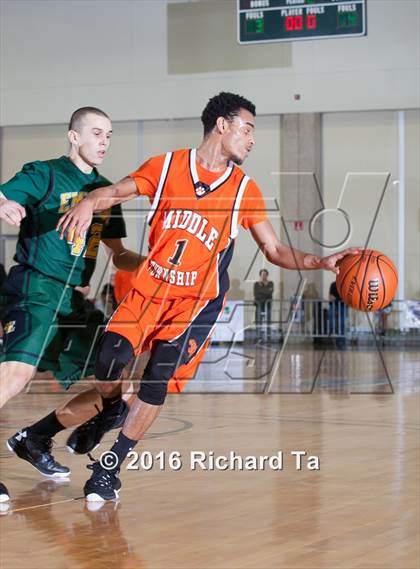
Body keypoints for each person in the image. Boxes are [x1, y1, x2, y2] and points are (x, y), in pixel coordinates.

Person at [57, 92, 359, 501]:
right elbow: (118, 191)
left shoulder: (243, 191)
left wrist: (321, 262)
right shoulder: (165, 167)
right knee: (108, 359)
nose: (252, 139)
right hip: (151, 289)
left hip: (194, 302)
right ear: (222, 125)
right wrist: (90, 203)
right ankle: (110, 409)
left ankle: (110, 468)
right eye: (247, 129)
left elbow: (274, 250)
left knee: (155, 379)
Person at [0, 107, 144, 503]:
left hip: (74, 300)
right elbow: (4, 194)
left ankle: (35, 438)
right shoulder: (45, 172)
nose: (104, 141)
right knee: (14, 377)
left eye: (109, 135)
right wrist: (3, 205)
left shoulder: (106, 191)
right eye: (96, 133)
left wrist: (150, 263)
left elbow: (118, 254)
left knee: (119, 384)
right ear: (74, 137)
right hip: (36, 287)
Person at [253, 268, 274, 341]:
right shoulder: (256, 284)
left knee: (268, 321)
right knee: (258, 321)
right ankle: (258, 336)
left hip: (267, 305)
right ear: (260, 275)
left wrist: (262, 291)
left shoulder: (271, 283)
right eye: (262, 274)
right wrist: (265, 291)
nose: (263, 276)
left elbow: (269, 293)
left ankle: (268, 336)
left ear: (267, 275)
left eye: (265, 274)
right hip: (259, 305)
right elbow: (256, 294)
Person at [328, 280, 347, 348]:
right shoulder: (333, 284)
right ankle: (332, 341)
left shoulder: (345, 285)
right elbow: (331, 297)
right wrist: (339, 299)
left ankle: (341, 341)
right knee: (332, 323)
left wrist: (336, 299)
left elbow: (345, 298)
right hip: (333, 305)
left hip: (342, 306)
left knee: (342, 324)